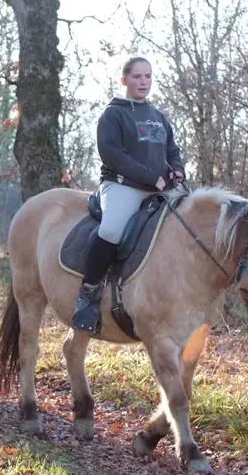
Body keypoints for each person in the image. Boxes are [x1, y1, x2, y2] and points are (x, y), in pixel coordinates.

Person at [72, 56, 186, 333]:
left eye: (148, 76)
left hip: (160, 189)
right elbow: (113, 155)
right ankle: (88, 292)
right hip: (122, 186)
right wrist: (151, 177)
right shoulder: (113, 114)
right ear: (124, 80)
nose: (143, 82)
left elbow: (172, 150)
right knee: (111, 230)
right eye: (137, 76)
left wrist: (178, 170)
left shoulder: (158, 116)